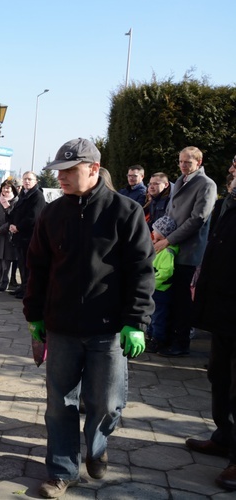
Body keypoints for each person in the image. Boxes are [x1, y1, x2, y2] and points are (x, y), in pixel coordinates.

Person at [23, 138, 154, 499]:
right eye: (58, 171)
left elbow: (142, 270)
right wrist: (34, 315)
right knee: (59, 405)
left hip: (108, 330)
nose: (61, 178)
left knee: (106, 403)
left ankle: (97, 447)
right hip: (62, 328)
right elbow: (37, 267)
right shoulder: (51, 214)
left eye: (69, 171)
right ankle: (63, 471)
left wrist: (136, 321)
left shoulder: (125, 212)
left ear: (93, 169)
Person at [186, 163, 236, 491]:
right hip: (223, 308)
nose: (231, 168)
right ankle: (224, 437)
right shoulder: (229, 201)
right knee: (219, 374)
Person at [155, 147, 216, 356]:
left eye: (188, 162)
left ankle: (180, 344)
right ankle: (165, 339)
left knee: (182, 301)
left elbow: (198, 218)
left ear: (198, 162)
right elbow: (171, 212)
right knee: (169, 297)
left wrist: (169, 239)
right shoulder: (181, 180)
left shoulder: (207, 185)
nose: (183, 165)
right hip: (171, 249)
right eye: (181, 161)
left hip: (188, 252)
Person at [8, 171, 46, 299]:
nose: (27, 181)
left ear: (36, 181)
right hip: (19, 236)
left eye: (30, 179)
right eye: (25, 179)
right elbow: (15, 212)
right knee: (21, 264)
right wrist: (12, 224)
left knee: (28, 264)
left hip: (28, 236)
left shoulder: (37, 196)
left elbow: (33, 217)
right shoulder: (23, 195)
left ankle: (28, 290)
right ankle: (23, 287)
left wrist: (18, 226)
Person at [145, 216, 178, 354]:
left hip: (160, 289)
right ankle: (152, 336)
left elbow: (166, 272)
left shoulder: (168, 251)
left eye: (155, 230)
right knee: (153, 314)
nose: (153, 232)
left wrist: (153, 281)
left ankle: (158, 339)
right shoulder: (158, 246)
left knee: (159, 316)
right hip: (154, 288)